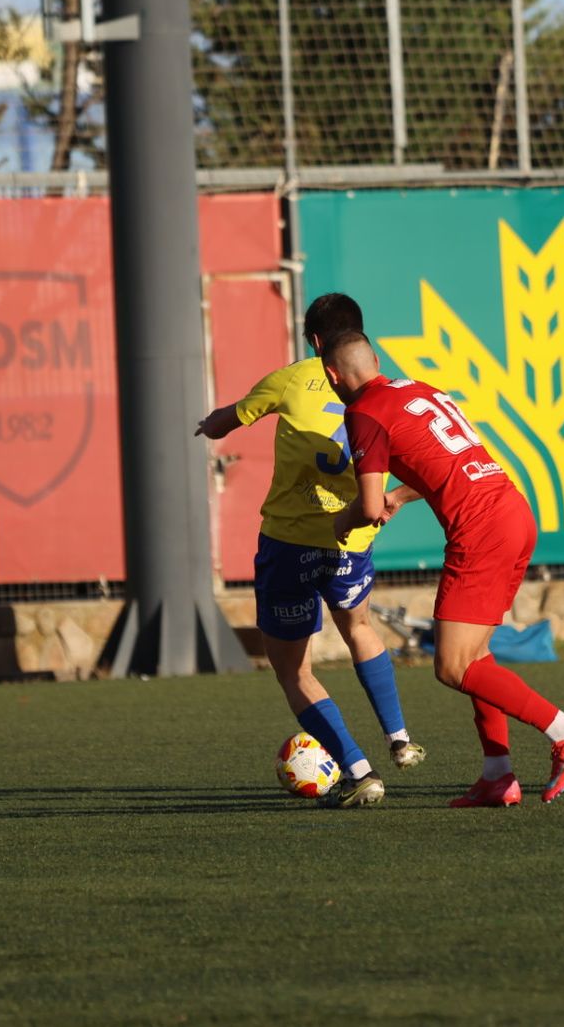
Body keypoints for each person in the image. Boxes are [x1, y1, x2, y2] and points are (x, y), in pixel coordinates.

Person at [322, 332, 564, 807]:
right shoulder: (419, 390)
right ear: (375, 360)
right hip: (511, 511)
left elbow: (367, 508)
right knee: (475, 656)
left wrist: (334, 524)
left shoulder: (362, 412)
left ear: (333, 376)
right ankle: (498, 774)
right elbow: (448, 460)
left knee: (452, 665)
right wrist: (399, 495)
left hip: (482, 531)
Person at [195, 294, 424, 808]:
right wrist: (394, 499)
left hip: (289, 543)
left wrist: (210, 424)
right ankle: (400, 738)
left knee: (294, 671)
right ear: (363, 343)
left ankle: (358, 769)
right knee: (359, 629)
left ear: (316, 343)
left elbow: (228, 420)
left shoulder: (292, 378)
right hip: (352, 542)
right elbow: (427, 464)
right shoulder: (393, 393)